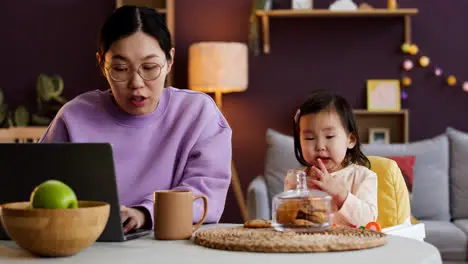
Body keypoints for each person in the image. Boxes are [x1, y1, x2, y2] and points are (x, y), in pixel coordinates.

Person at [40, 5, 232, 234]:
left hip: (173, 245)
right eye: (120, 69)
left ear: (169, 60)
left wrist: (144, 213)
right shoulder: (73, 117)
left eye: (149, 67)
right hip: (87, 245)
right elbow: (38, 189)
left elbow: (205, 196)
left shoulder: (199, 114)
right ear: (102, 64)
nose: (136, 83)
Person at [284, 90, 377, 227]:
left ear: (350, 140)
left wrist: (340, 194)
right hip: (308, 245)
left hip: (352, 247)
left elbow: (369, 222)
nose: (320, 146)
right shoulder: (296, 179)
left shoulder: (362, 177)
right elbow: (287, 222)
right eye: (309, 138)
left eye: (329, 137)